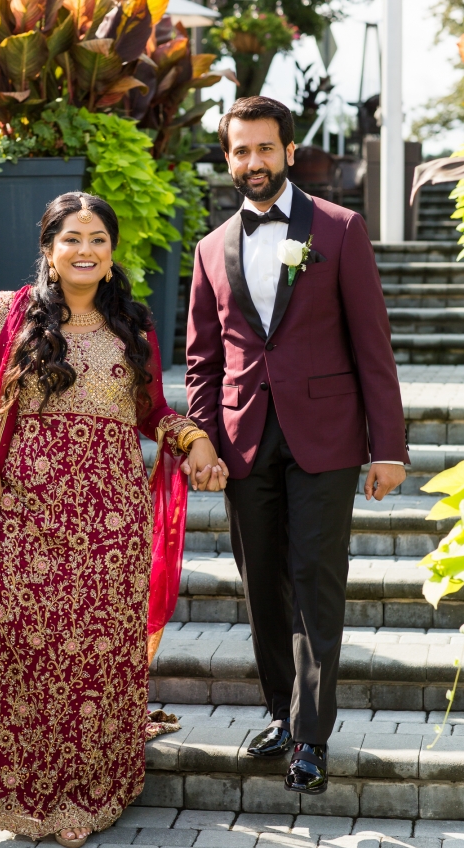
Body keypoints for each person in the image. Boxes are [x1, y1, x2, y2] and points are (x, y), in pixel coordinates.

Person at [0, 192, 227, 845]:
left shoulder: (133, 326)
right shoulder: (10, 316)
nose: (85, 250)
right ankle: (17, 788)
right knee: (22, 649)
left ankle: (86, 792)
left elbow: (151, 412)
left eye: (98, 240)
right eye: (71, 239)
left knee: (94, 657)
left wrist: (192, 438)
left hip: (111, 524)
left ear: (111, 256)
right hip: (25, 514)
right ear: (49, 250)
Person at [186, 97, 409, 795]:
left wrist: (389, 446)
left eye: (263, 148)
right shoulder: (209, 248)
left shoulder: (340, 229)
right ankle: (282, 715)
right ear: (228, 158)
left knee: (315, 577)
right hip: (242, 436)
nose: (252, 161)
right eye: (239, 150)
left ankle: (311, 736)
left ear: (289, 151)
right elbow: (202, 360)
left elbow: (372, 344)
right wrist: (200, 439)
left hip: (327, 434)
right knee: (262, 584)